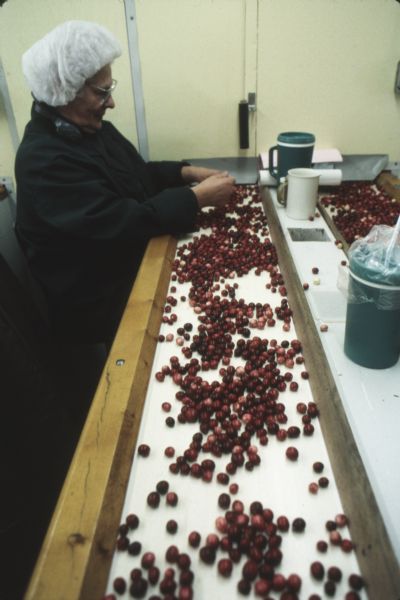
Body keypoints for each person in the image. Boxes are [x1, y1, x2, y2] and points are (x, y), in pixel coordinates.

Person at [15, 20, 235, 349]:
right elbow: (121, 221)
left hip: (133, 269)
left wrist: (186, 174)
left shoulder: (88, 127)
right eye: (102, 92)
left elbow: (136, 176)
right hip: (99, 310)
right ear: (65, 90)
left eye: (110, 89)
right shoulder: (44, 162)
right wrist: (195, 200)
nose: (112, 103)